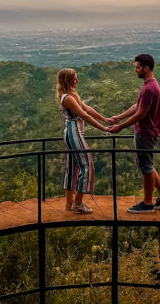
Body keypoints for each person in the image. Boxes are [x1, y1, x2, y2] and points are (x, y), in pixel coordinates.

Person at [108, 54, 160, 213]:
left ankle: (148, 203)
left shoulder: (149, 88)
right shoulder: (149, 85)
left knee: (146, 167)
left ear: (146, 68)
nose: (135, 70)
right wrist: (119, 117)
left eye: (137, 67)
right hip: (146, 131)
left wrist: (120, 127)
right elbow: (137, 106)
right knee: (147, 165)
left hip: (145, 132)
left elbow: (140, 115)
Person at [56, 68, 110, 214]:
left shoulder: (69, 95)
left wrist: (104, 119)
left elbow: (87, 109)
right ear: (68, 80)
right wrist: (103, 128)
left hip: (70, 132)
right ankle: (78, 203)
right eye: (75, 78)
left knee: (73, 167)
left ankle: (69, 203)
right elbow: (84, 115)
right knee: (87, 165)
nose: (77, 81)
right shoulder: (68, 98)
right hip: (74, 133)